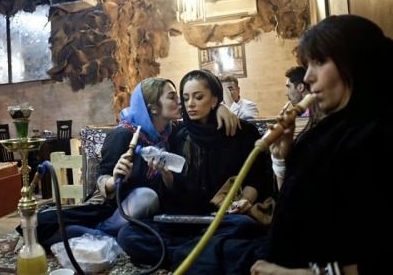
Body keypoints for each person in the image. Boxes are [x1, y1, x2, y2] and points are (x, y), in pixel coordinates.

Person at [221, 15, 390, 275]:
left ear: (357, 63)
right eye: (308, 64)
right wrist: (281, 158)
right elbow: (293, 207)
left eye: (320, 62)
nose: (309, 77)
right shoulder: (328, 130)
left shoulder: (378, 137)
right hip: (279, 258)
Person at [34, 77, 239, 251]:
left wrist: (220, 108)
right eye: (172, 97)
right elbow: (102, 179)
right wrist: (114, 181)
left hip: (153, 210)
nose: (181, 102)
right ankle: (101, 233)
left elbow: (202, 119)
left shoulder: (172, 133)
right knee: (145, 196)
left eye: (179, 97)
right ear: (154, 108)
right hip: (115, 207)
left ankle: (104, 238)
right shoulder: (124, 135)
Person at [117, 69, 272, 270]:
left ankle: (185, 255)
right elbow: (172, 194)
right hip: (186, 220)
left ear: (215, 100)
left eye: (198, 97)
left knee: (245, 226)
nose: (190, 104)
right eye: (186, 98)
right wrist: (165, 174)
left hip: (223, 219)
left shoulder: (240, 132)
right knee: (129, 234)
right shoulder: (178, 135)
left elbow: (257, 177)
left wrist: (246, 201)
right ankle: (206, 254)